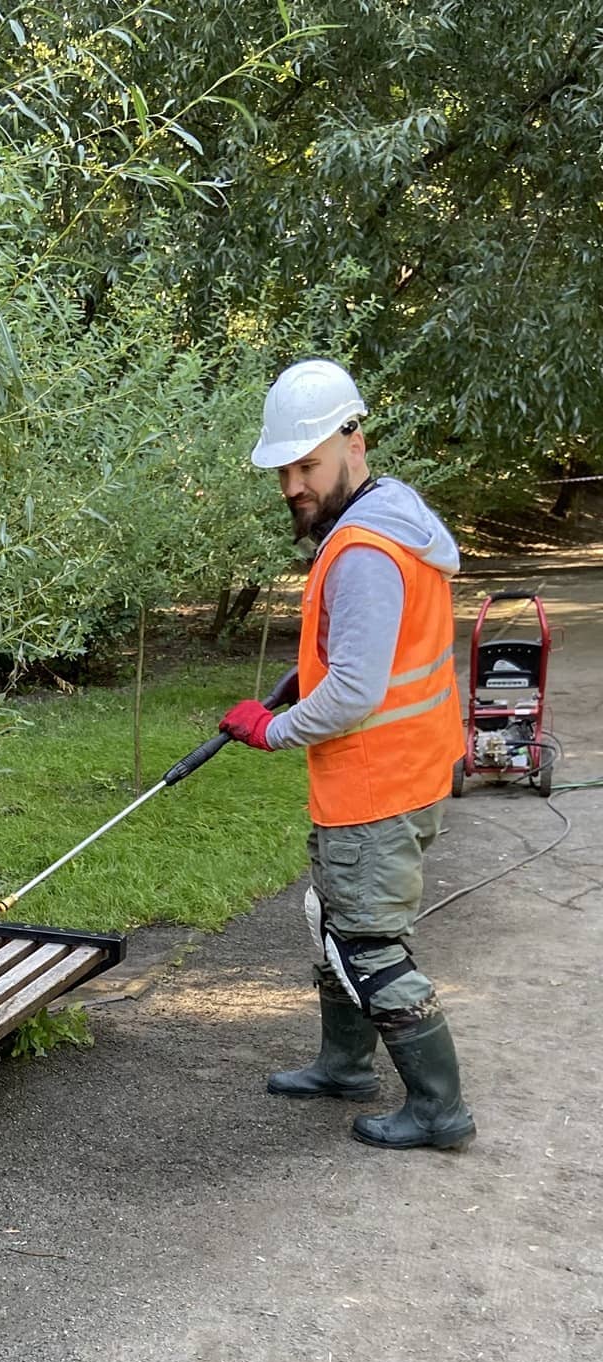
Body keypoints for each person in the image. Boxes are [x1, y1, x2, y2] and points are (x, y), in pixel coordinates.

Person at [219, 358, 474, 1150]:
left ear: (352, 441)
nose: (293, 484)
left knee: (367, 943)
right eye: (284, 470)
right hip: (401, 771)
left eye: (307, 465)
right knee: (337, 920)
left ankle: (438, 1109)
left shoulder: (362, 549)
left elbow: (357, 693)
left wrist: (271, 729)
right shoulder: (387, 514)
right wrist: (307, 676)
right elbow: (370, 657)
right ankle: (344, 1065)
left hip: (377, 784)